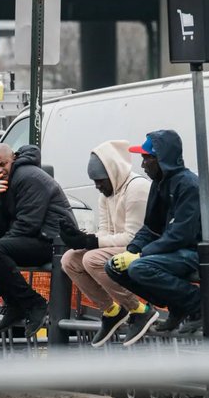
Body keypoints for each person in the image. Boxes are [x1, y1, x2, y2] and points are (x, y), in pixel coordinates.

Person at [105, 130, 209, 346]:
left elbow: (180, 235)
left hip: (197, 250)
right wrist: (131, 251)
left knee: (139, 268)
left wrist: (140, 255)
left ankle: (197, 304)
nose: (143, 165)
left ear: (162, 159)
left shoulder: (189, 185)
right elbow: (150, 228)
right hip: (176, 250)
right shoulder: (160, 185)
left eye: (147, 158)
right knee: (113, 267)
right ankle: (177, 306)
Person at [0, 143, 76, 335]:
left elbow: (28, 224)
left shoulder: (28, 176)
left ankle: (34, 303)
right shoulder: (7, 181)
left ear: (14, 159)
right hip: (34, 236)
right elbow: (0, 230)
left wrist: (1, 243)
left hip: (53, 241)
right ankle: (13, 301)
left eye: (3, 164)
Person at [59, 140, 152, 347]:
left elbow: (134, 237)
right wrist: (81, 239)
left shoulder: (137, 189)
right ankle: (111, 310)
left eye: (100, 181)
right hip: (122, 247)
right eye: (94, 181)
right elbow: (105, 232)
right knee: (69, 260)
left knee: (92, 259)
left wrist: (92, 242)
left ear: (114, 173)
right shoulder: (108, 192)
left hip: (143, 249)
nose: (97, 186)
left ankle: (138, 309)